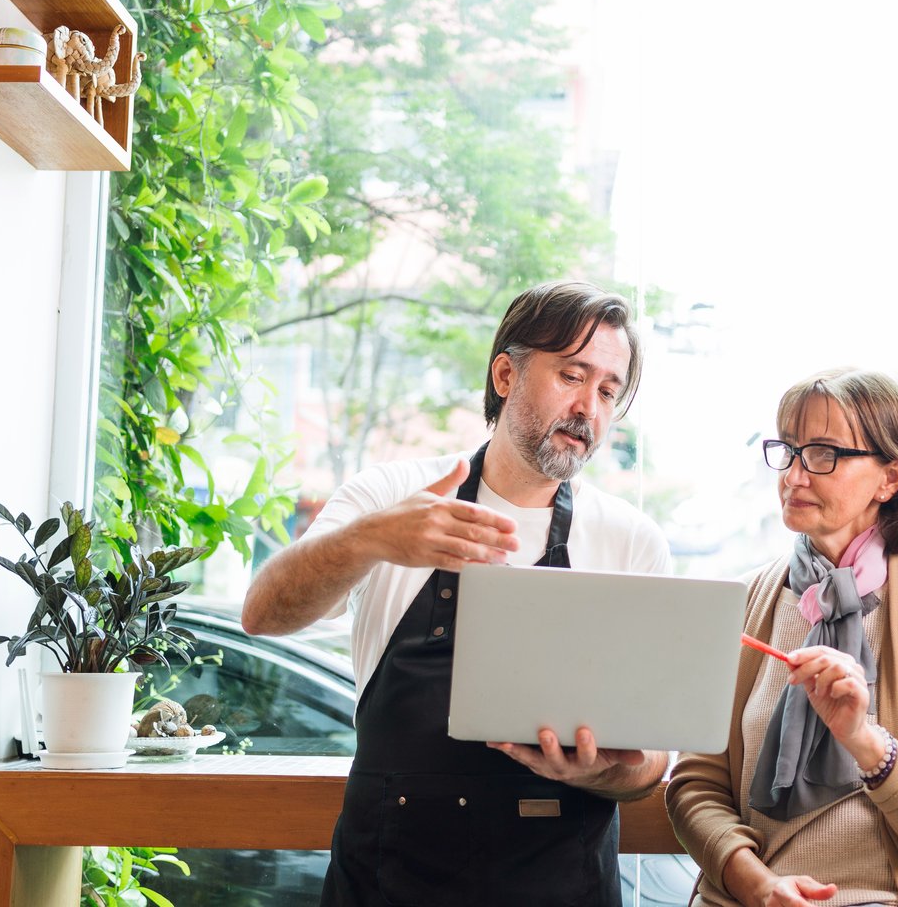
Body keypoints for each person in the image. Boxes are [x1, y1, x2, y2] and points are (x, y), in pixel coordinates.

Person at [242, 279, 671, 906]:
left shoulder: (631, 541)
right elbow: (262, 614)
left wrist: (598, 771)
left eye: (608, 391)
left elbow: (651, 765)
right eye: (573, 376)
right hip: (388, 885)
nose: (590, 409)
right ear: (505, 374)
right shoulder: (393, 495)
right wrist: (369, 541)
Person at [666, 368, 898, 907]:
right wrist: (756, 884)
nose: (794, 476)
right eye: (789, 451)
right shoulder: (746, 600)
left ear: (889, 479)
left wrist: (864, 739)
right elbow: (695, 785)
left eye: (822, 455)